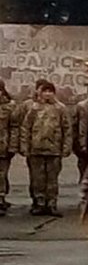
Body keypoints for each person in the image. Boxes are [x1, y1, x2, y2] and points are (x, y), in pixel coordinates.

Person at [20, 80, 72, 217]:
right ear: (40, 93)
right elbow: (26, 128)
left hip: (54, 150)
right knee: (37, 179)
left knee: (52, 179)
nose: (48, 94)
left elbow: (67, 129)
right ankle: (39, 203)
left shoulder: (60, 108)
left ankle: (52, 204)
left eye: (50, 91)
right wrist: (25, 146)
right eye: (45, 91)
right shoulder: (34, 108)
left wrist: (66, 147)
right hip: (36, 149)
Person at [0, 80, 17, 216]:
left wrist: (13, 146)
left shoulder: (10, 107)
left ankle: (1, 198)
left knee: (1, 174)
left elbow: (14, 128)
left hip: (3, 147)